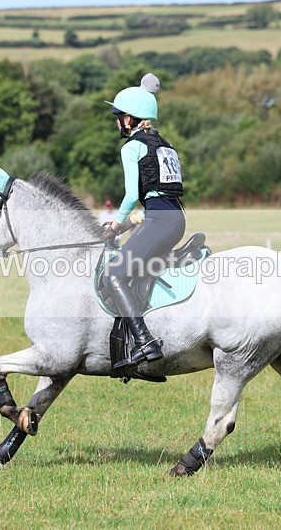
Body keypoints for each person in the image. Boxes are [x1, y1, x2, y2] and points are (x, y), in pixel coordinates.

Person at [101, 73, 186, 370]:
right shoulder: (164, 144)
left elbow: (129, 195)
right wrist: (130, 223)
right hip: (174, 217)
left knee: (114, 275)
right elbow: (157, 195)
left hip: (160, 220)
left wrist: (115, 224)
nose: (116, 122)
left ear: (129, 119)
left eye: (118, 116)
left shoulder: (132, 147)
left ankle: (145, 342)